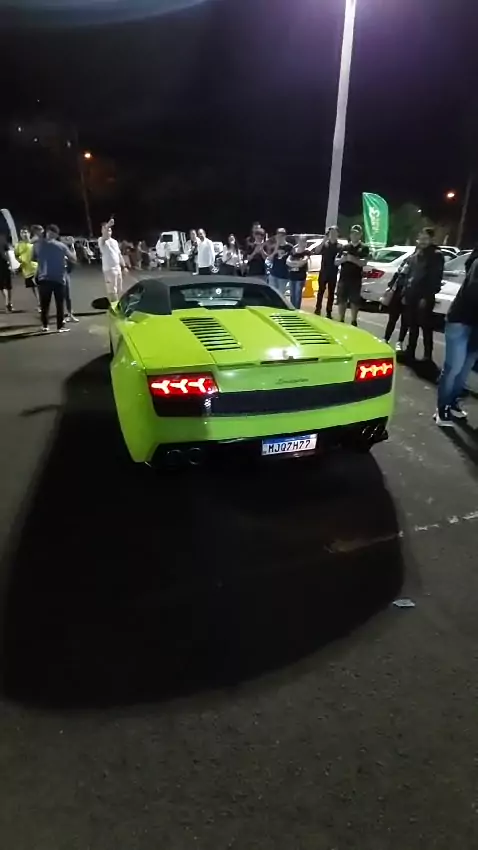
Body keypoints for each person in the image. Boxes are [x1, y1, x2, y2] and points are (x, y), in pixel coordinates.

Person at [434, 256, 478, 427]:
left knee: (464, 370)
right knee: (454, 367)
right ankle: (442, 408)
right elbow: (474, 291)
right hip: (461, 321)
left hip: (475, 327)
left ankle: (452, 403)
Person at [401, 228, 445, 363]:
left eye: (426, 238)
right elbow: (410, 273)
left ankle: (427, 356)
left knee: (426, 327)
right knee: (412, 325)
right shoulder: (417, 253)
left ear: (432, 239)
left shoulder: (436, 255)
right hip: (412, 294)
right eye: (421, 238)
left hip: (424, 296)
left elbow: (435, 279)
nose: (422, 241)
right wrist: (405, 292)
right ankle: (410, 351)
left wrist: (426, 296)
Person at [33, 224, 76, 333]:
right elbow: (73, 259)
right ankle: (60, 326)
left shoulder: (37, 245)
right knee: (59, 304)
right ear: (56, 234)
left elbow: (33, 258)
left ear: (47, 232)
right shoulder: (61, 246)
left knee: (44, 304)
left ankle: (45, 325)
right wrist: (72, 246)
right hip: (58, 278)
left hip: (43, 278)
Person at [335, 225, 370, 326]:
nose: (354, 235)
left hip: (356, 279)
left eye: (356, 233)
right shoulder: (344, 247)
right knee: (342, 299)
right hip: (343, 277)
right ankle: (341, 319)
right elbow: (336, 262)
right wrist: (343, 259)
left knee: (354, 301)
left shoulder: (364, 248)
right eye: (352, 233)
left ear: (360, 234)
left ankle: (354, 320)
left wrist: (352, 259)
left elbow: (364, 263)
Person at [383, 257, 412, 350]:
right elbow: (394, 279)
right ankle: (386, 338)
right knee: (392, 318)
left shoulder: (417, 269)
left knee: (405, 321)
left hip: (408, 296)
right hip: (397, 295)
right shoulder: (406, 262)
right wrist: (392, 284)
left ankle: (400, 341)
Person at [314, 226, 340, 318]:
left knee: (331, 293)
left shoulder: (340, 246)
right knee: (320, 291)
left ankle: (329, 311)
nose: (332, 234)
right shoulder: (325, 245)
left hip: (333, 272)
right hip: (323, 271)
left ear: (337, 234)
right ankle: (318, 309)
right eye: (331, 233)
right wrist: (323, 240)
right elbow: (316, 251)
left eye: (334, 233)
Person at [99, 219, 127, 300]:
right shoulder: (101, 240)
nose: (108, 231)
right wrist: (108, 225)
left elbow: (119, 254)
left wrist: (124, 266)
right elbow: (105, 236)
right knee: (112, 291)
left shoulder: (114, 242)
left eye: (110, 230)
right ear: (102, 231)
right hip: (109, 270)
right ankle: (114, 306)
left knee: (119, 289)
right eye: (106, 229)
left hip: (117, 268)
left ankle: (118, 304)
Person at [15, 227, 39, 309]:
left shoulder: (34, 243)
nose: (24, 234)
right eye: (22, 233)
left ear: (29, 233)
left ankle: (41, 304)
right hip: (27, 270)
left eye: (25, 232)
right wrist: (19, 262)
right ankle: (39, 303)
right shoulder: (18, 245)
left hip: (36, 268)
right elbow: (16, 255)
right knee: (33, 288)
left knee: (38, 287)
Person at [287, 235, 310, 309]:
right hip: (292, 276)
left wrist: (293, 263)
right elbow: (287, 262)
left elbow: (303, 262)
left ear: (305, 242)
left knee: (297, 295)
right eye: (300, 241)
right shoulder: (293, 251)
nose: (301, 243)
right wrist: (297, 263)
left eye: (303, 241)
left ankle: (297, 310)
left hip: (300, 278)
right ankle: (292, 309)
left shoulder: (306, 252)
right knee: (292, 295)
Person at [268, 228, 292, 295]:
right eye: (278, 235)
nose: (279, 237)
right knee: (272, 294)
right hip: (273, 274)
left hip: (283, 275)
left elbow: (291, 261)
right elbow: (269, 259)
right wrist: (276, 247)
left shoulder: (289, 247)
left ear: (285, 236)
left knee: (280, 295)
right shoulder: (273, 247)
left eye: (282, 235)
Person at [63, 236, 79, 323]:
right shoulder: (60, 250)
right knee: (59, 297)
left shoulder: (69, 251)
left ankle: (70, 314)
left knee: (68, 296)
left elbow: (73, 261)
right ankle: (61, 316)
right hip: (57, 275)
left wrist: (72, 247)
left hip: (65, 274)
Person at [0, 234, 13, 312]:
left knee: (3, 286)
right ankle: (8, 302)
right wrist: (10, 263)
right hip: (4, 264)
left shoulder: (2, 238)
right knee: (6, 285)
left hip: (3, 264)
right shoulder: (3, 238)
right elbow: (7, 253)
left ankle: (7, 302)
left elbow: (7, 252)